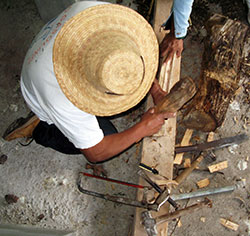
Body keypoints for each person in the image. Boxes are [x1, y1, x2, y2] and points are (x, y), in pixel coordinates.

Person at [3, 1, 175, 163]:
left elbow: (130, 55)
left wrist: (155, 89)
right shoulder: (62, 96)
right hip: (42, 86)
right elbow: (95, 153)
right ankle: (38, 129)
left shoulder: (99, 15)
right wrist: (142, 129)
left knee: (135, 101)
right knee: (108, 135)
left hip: (47, 57)